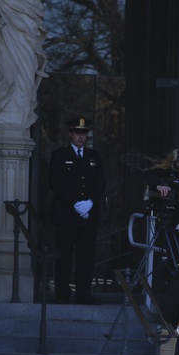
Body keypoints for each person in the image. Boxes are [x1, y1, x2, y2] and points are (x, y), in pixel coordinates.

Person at [48, 117, 106, 304]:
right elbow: (56, 183)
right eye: (78, 133)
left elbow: (100, 183)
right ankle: (62, 293)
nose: (81, 137)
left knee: (86, 257)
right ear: (70, 134)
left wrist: (90, 202)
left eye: (84, 133)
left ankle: (84, 293)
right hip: (66, 214)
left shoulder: (94, 156)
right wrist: (75, 203)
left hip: (88, 215)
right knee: (64, 256)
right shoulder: (60, 155)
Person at [0, 0, 47, 131]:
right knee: (8, 78)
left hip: (26, 48)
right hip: (4, 44)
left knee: (26, 84)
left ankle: (19, 118)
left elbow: (36, 30)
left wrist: (39, 52)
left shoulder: (32, 3)